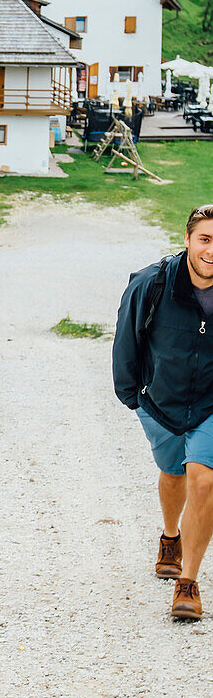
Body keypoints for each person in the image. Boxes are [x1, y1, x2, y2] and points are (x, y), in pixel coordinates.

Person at [113, 205, 213, 620]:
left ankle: (187, 582)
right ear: (188, 239)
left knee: (204, 480)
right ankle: (170, 537)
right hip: (163, 401)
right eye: (205, 239)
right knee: (173, 474)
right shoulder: (152, 283)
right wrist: (132, 395)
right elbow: (126, 339)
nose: (212, 250)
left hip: (210, 403)